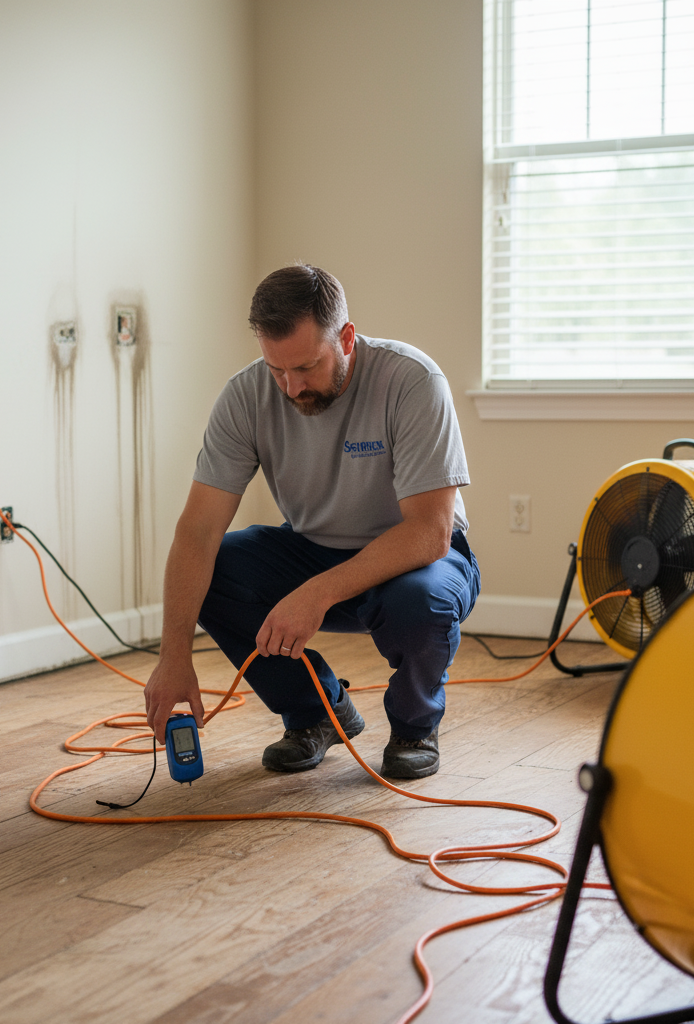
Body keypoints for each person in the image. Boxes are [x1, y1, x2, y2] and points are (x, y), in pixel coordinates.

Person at [144, 265, 480, 778]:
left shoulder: (412, 380)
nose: (292, 387)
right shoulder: (246, 396)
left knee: (420, 601)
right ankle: (316, 713)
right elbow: (197, 532)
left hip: (418, 561)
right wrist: (173, 657)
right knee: (217, 570)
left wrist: (317, 593)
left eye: (306, 366)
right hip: (312, 549)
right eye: (276, 369)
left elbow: (428, 533)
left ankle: (414, 728)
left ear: (345, 338)